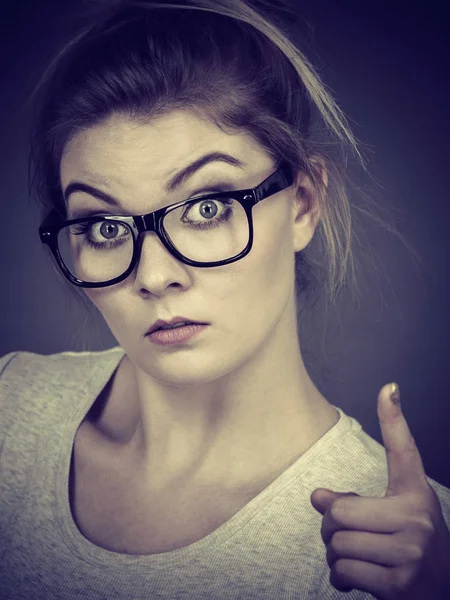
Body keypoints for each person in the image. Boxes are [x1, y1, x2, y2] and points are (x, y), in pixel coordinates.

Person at [1, 1, 449, 599]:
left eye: (206, 207)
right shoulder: (11, 410)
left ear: (303, 204)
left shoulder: (413, 548)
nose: (155, 276)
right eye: (106, 228)